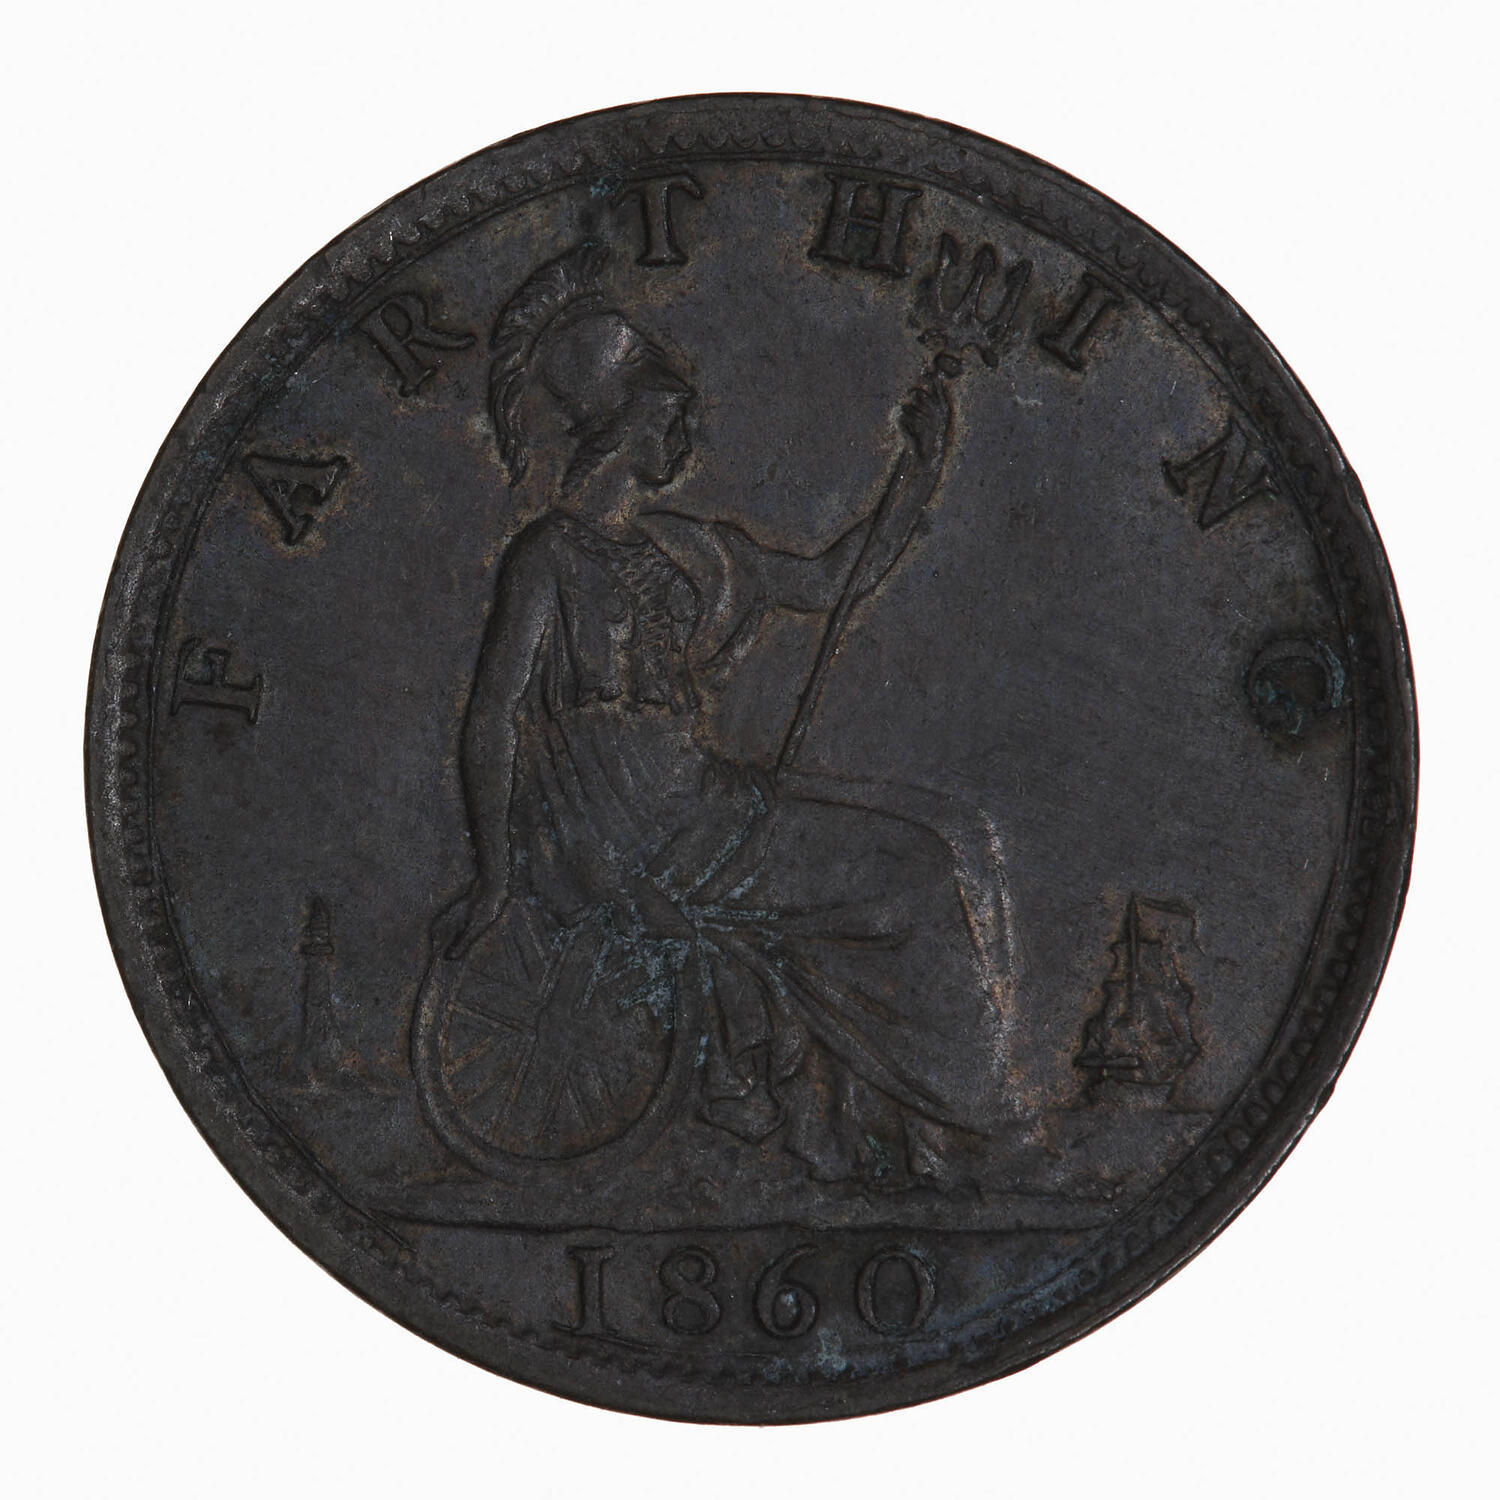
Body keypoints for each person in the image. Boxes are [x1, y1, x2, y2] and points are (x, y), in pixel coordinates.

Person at [435, 240, 1011, 1187]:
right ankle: (966, 1118)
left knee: (943, 831)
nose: (688, 432)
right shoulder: (545, 558)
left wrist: (916, 475)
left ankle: (894, 1122)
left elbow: (827, 583)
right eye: (672, 414)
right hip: (635, 831)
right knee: (915, 865)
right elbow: (493, 714)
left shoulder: (684, 550)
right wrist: (496, 872)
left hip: (704, 809)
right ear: (624, 425)